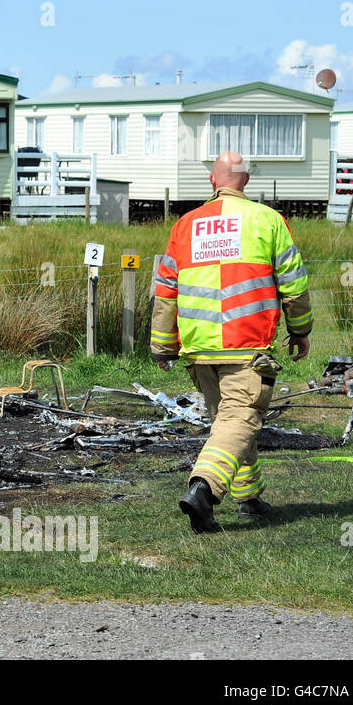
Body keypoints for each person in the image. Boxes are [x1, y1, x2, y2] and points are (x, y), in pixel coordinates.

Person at [150, 151, 312, 534]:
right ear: (247, 182)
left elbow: (166, 293)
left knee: (231, 423)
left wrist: (162, 346)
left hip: (200, 349)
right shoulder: (268, 221)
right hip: (246, 346)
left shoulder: (185, 226)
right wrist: (301, 332)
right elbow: (294, 287)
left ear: (212, 180)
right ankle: (203, 488)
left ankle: (250, 498)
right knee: (240, 419)